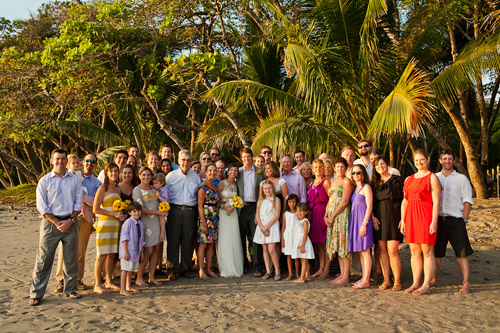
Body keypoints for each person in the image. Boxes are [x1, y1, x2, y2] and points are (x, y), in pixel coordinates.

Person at [29, 149, 82, 306]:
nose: (60, 161)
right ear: (51, 161)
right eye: (57, 159)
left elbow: (78, 204)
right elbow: (42, 207)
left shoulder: (74, 180)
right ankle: (36, 293)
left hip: (70, 222)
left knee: (71, 259)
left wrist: (69, 221)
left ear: (67, 161)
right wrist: (56, 222)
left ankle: (70, 290)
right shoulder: (45, 181)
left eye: (63, 159)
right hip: (50, 224)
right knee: (44, 259)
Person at [54, 154, 100, 292]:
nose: (89, 163)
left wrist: (82, 197)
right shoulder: (72, 176)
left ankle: (78, 279)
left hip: (85, 219)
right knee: (64, 249)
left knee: (81, 250)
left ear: (96, 165)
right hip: (69, 216)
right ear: (82, 162)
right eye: (87, 161)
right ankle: (61, 280)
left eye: (92, 162)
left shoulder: (97, 183)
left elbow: (95, 201)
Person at [401, 149, 441, 295]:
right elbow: (404, 202)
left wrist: (433, 221)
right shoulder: (409, 179)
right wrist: (403, 220)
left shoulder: (432, 177)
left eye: (422, 160)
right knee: (414, 251)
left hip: (425, 217)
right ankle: (415, 282)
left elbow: (436, 202)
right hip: (411, 218)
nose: (419, 163)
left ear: (428, 159)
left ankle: (426, 284)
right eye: (417, 160)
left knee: (427, 252)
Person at [433, 149, 474, 294]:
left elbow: (468, 200)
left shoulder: (461, 179)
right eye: (444, 158)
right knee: (437, 253)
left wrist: (464, 218)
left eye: (450, 159)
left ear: (454, 161)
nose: (447, 161)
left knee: (462, 253)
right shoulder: (435, 178)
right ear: (440, 161)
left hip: (456, 221)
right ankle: (433, 279)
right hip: (439, 221)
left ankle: (466, 282)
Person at [166, 150, 202, 279]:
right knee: (173, 241)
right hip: (174, 211)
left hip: (190, 212)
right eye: (183, 160)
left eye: (188, 160)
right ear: (178, 160)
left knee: (188, 241)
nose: (185, 163)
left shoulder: (196, 177)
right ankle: (172, 269)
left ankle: (185, 268)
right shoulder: (170, 176)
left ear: (191, 161)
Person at [93, 163, 126, 294]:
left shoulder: (118, 189)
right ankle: (97, 284)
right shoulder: (102, 188)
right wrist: (112, 214)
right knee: (101, 254)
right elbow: (96, 209)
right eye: (111, 171)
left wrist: (120, 216)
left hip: (115, 225)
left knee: (112, 254)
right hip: (105, 224)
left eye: (116, 171)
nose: (114, 173)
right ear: (106, 173)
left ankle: (109, 281)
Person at [371, 156, 404, 291]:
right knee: (383, 251)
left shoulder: (396, 180)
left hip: (393, 218)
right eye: (377, 165)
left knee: (393, 251)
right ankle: (386, 280)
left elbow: (402, 200)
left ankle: (397, 280)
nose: (380, 167)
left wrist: (403, 218)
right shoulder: (374, 183)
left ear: (387, 165)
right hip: (379, 220)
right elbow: (371, 203)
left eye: (382, 164)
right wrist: (372, 217)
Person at [133, 167, 167, 286]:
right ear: (139, 176)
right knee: (147, 251)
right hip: (145, 223)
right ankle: (139, 278)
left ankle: (151, 277)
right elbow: (140, 209)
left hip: (157, 223)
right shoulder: (137, 190)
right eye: (144, 175)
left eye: (148, 175)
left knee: (156, 250)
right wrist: (158, 213)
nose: (146, 177)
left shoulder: (153, 189)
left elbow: (160, 205)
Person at [237, 148, 265, 276]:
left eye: (249, 157)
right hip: (241, 208)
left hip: (255, 207)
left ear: (252, 158)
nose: (247, 159)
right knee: (241, 237)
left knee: (256, 238)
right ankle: (244, 265)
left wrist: (259, 211)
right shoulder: (238, 172)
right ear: (241, 158)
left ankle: (257, 266)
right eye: (244, 157)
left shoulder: (260, 172)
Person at [324, 157, 353, 285]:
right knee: (337, 246)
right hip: (332, 217)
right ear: (334, 168)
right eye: (337, 167)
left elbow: (344, 201)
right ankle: (341, 274)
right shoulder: (334, 181)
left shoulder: (347, 181)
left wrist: (333, 216)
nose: (339, 169)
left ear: (346, 168)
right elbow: (330, 200)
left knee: (343, 246)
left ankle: (346, 275)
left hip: (341, 216)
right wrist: (326, 215)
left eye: (342, 167)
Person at [349, 164, 374, 289]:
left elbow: (369, 207)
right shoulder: (355, 188)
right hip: (355, 220)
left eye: (358, 173)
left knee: (366, 251)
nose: (356, 175)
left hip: (363, 221)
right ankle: (363, 278)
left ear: (363, 173)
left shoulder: (366, 187)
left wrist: (364, 224)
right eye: (353, 173)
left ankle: (366, 279)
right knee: (361, 252)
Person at [217, 163, 244, 277]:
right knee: (225, 238)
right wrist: (224, 207)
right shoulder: (222, 184)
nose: (233, 172)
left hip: (233, 214)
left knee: (234, 238)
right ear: (227, 171)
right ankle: (225, 267)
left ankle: (235, 265)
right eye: (231, 170)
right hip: (224, 213)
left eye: (235, 170)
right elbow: (216, 201)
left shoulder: (237, 185)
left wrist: (237, 205)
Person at [307, 159, 331, 279]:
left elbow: (332, 199)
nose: (318, 170)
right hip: (313, 214)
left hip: (323, 213)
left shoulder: (326, 182)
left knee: (326, 243)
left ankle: (326, 270)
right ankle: (321, 268)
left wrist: (327, 215)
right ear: (313, 169)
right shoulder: (312, 183)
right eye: (316, 167)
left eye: (320, 167)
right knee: (319, 245)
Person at [254, 180, 282, 281]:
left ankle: (277, 271)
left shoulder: (276, 200)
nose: (267, 190)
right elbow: (257, 215)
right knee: (265, 249)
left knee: (271, 249)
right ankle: (268, 271)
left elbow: (277, 215)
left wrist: (266, 227)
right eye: (265, 189)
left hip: (272, 226)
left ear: (273, 189)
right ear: (262, 190)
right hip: (261, 227)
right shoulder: (260, 200)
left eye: (269, 188)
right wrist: (262, 227)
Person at [197, 164, 220, 280]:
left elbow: (216, 202)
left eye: (214, 170)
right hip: (205, 217)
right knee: (203, 244)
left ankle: (208, 268)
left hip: (214, 217)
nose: (212, 172)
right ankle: (201, 269)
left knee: (211, 244)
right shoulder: (203, 188)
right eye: (210, 170)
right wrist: (203, 222)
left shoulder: (215, 186)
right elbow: (200, 206)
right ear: (206, 172)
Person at [119, 202, 145, 296]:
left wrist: (141, 253)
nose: (137, 213)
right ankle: (122, 289)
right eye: (134, 211)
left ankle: (128, 286)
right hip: (128, 250)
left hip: (135, 250)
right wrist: (125, 252)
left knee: (130, 269)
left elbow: (141, 239)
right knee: (125, 269)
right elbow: (124, 238)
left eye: (138, 211)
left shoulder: (140, 224)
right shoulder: (127, 223)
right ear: (130, 213)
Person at [292, 203, 315, 283]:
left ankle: (302, 278)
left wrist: (302, 245)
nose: (299, 213)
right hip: (300, 241)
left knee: (304, 261)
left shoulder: (305, 221)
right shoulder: (300, 220)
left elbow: (305, 233)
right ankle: (307, 276)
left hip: (303, 242)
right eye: (297, 211)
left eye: (301, 211)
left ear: (306, 212)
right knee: (304, 260)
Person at [281, 194, 299, 280]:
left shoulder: (298, 213)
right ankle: (290, 274)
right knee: (288, 256)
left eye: (294, 202)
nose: (292, 204)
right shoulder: (285, 214)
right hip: (287, 236)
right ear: (287, 203)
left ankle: (298, 273)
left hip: (296, 236)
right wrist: (282, 240)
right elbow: (283, 227)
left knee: (295, 256)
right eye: (290, 202)